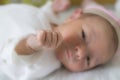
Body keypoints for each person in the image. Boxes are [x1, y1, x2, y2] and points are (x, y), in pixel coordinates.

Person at [0, 0, 120, 80]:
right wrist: (52, 7)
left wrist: (31, 44)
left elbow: (11, 56)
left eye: (88, 59)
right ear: (73, 16)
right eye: (83, 35)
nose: (81, 53)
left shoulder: (46, 61)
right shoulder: (55, 22)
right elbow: (40, 14)